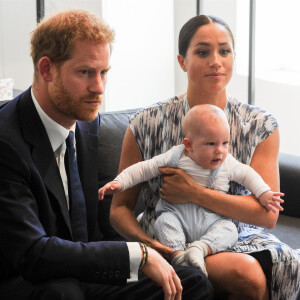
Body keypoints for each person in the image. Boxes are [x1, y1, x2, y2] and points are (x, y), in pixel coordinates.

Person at [0, 10, 214, 300]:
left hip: (81, 271)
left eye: (103, 73)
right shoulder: (7, 142)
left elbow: (92, 230)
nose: (98, 88)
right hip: (27, 277)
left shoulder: (87, 124)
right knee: (64, 294)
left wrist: (150, 250)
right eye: (86, 72)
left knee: (190, 282)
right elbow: (32, 253)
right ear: (47, 69)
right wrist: (136, 254)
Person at [110, 14, 300, 300]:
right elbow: (119, 210)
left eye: (224, 51)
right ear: (182, 61)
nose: (216, 60)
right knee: (247, 275)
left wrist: (194, 193)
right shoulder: (145, 123)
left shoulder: (260, 125)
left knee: (275, 266)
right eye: (202, 52)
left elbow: (267, 215)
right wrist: (150, 247)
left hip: (231, 233)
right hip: (165, 231)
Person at [99, 104, 284, 276]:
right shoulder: (176, 156)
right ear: (189, 145)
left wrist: (264, 193)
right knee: (163, 223)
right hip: (177, 214)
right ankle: (178, 255)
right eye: (211, 144)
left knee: (229, 230)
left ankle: (200, 248)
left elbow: (248, 175)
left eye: (225, 143)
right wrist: (120, 182)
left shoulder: (227, 163)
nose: (220, 151)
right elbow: (144, 168)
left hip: (212, 219)